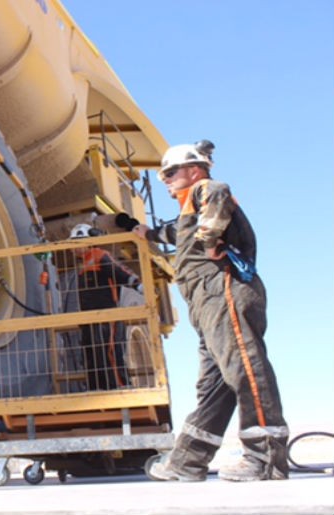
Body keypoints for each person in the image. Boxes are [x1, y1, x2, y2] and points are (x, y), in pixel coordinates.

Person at [130, 140, 288, 482]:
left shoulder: (207, 190)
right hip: (204, 303)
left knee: (244, 364)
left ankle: (266, 457)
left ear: (195, 169)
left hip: (224, 288)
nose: (167, 180)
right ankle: (188, 461)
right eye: (163, 176)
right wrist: (136, 228)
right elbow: (167, 232)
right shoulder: (189, 215)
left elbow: (217, 197)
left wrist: (212, 241)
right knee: (214, 382)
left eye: (172, 173)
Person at [69, 223, 142, 390]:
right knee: (93, 353)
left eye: (75, 243)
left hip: (107, 314)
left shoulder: (99, 255)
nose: (73, 248)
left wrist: (137, 284)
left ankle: (119, 386)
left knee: (109, 351)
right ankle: (97, 388)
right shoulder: (84, 266)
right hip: (90, 317)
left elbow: (118, 271)